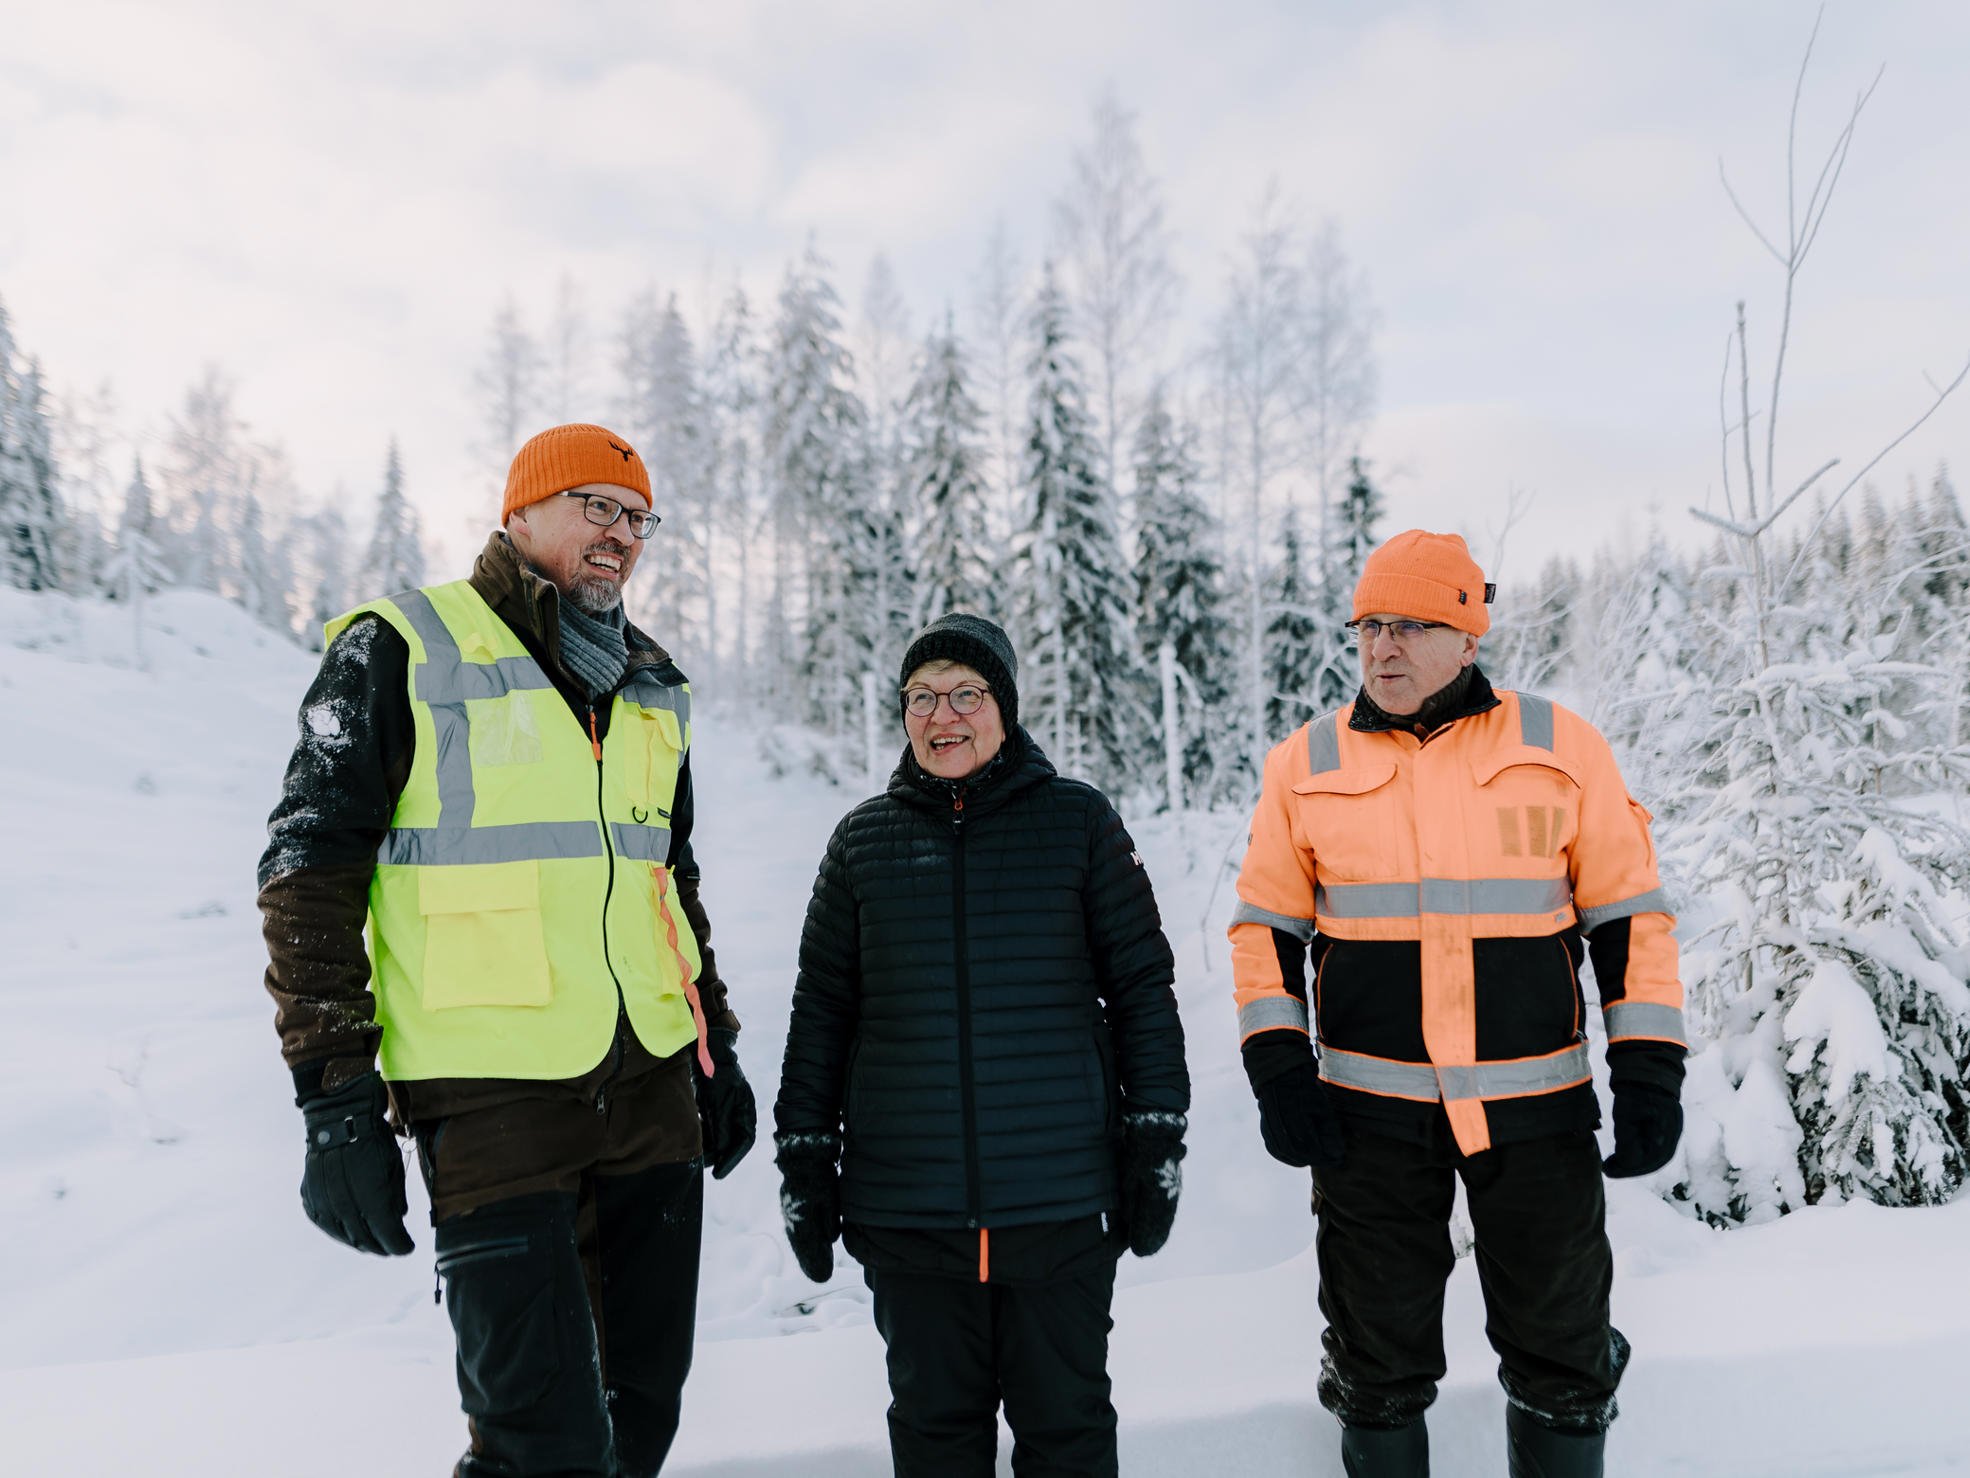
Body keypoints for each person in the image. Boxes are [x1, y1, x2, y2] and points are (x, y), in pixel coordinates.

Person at [257, 422, 756, 1477]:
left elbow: (670, 884)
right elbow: (307, 868)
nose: (620, 532)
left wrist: (716, 1048)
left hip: (652, 1092)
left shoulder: (649, 682)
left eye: (637, 516)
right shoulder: (403, 645)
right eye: (595, 505)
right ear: (520, 510)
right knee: (542, 1444)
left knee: (640, 1420)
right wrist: (333, 1094)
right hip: (493, 1109)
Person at [1229, 530, 1685, 1478]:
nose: (1382, 648)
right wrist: (1279, 1067)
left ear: (1467, 637)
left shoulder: (1561, 748)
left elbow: (1630, 919)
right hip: (1370, 1121)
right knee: (1374, 1364)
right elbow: (1264, 932)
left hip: (1537, 1114)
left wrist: (1649, 1067)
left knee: (1563, 1353)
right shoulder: (1304, 763)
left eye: (1410, 627)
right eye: (1368, 628)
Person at [773, 613, 1190, 1478]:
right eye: (921, 697)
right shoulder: (862, 842)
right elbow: (822, 1012)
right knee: (934, 1441)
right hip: (909, 1218)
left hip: (1061, 1209)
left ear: (1005, 707)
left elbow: (1144, 987)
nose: (943, 715)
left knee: (1068, 1435)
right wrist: (806, 1161)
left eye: (966, 693)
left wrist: (1156, 1137)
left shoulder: (1077, 822)